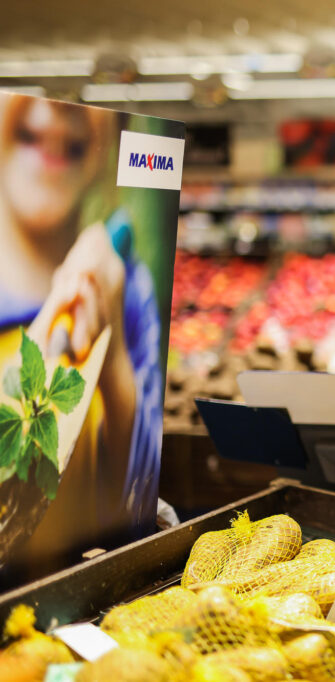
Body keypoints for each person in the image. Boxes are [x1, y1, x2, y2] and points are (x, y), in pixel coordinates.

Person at [0, 94, 164, 578]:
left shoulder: (130, 287)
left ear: (118, 128)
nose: (57, 106)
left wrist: (112, 361)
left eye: (89, 93)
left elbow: (137, 509)